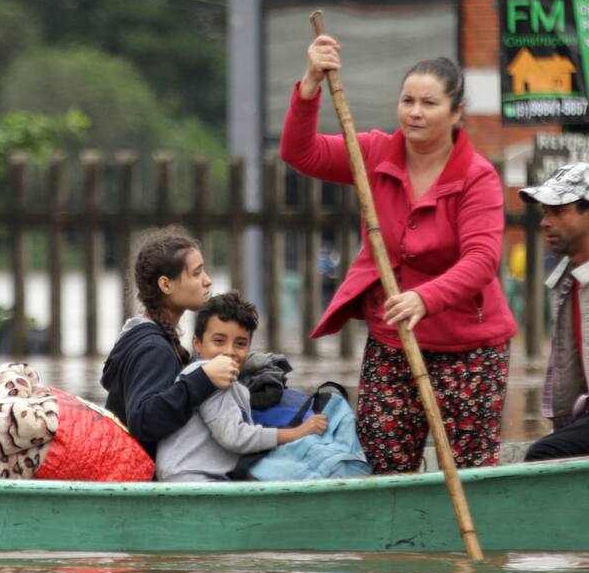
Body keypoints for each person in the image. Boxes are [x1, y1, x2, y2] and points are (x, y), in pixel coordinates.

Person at [282, 36, 516, 473]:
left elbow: (482, 260)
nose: (414, 112)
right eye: (407, 100)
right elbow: (301, 152)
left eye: (429, 103)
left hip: (470, 348)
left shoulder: (476, 177)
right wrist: (311, 82)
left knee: (470, 470)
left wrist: (425, 298)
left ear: (456, 112)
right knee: (384, 463)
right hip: (393, 341)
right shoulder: (372, 152)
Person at [156, 291, 327, 481]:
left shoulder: (213, 377)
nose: (229, 352)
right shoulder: (210, 375)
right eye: (219, 341)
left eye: (240, 344)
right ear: (197, 343)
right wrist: (296, 433)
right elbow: (235, 437)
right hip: (191, 479)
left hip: (188, 475)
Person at [100, 227, 237, 459]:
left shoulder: (147, 336)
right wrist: (203, 378)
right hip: (141, 479)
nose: (208, 281)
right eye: (197, 273)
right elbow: (143, 421)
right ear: (166, 285)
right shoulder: (153, 348)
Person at [520, 164, 589, 461]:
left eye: (559, 212)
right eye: (546, 212)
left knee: (544, 455)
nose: (546, 222)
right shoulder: (568, 279)